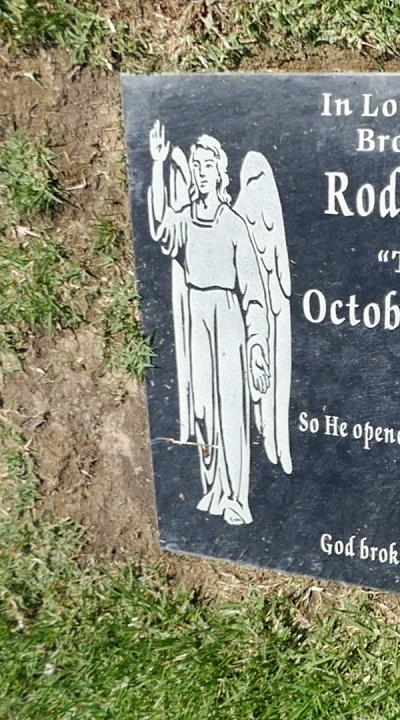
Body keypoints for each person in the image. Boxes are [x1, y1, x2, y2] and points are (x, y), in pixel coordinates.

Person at [148, 121, 271, 525]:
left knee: (230, 408)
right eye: (196, 165)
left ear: (220, 174)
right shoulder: (184, 219)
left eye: (207, 166)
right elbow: (161, 231)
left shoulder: (233, 224)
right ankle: (214, 488)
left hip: (228, 317)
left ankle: (237, 496)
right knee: (203, 406)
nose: (200, 173)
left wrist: (256, 343)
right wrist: (157, 164)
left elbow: (253, 289)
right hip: (196, 317)